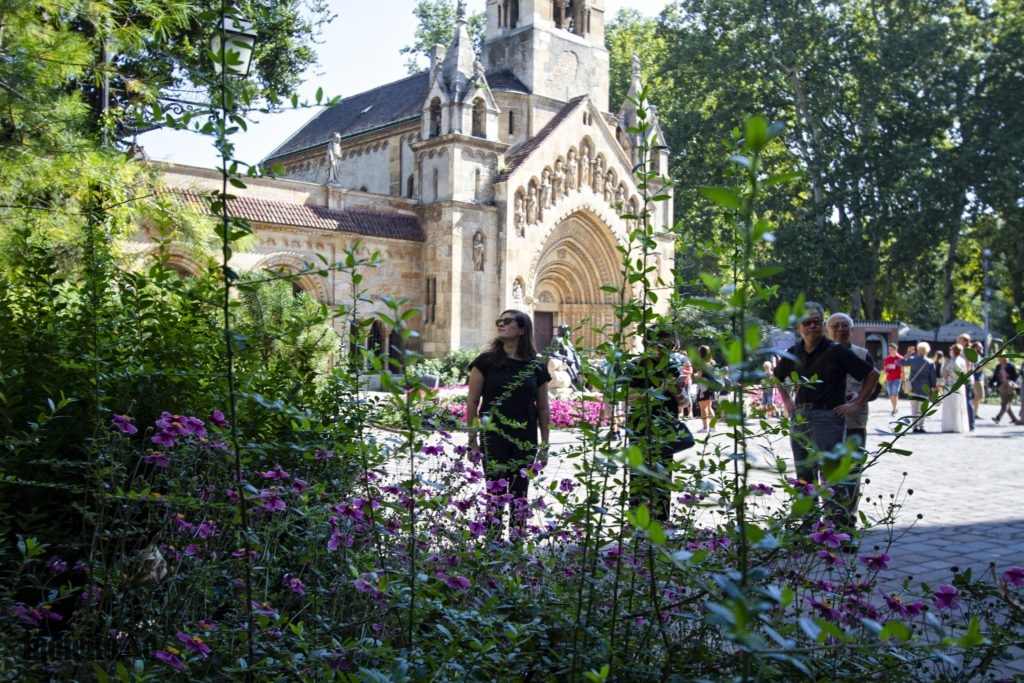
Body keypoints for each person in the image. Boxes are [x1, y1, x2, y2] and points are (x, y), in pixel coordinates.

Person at [773, 302, 879, 534]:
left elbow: (872, 374)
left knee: (831, 476)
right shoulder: (794, 352)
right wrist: (788, 402)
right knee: (804, 474)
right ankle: (808, 527)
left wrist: (858, 402)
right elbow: (777, 376)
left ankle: (836, 529)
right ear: (799, 327)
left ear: (822, 325)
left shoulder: (836, 351)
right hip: (800, 417)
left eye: (816, 322)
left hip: (828, 417)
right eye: (807, 323)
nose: (812, 327)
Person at [466, 310, 551, 532]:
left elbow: (543, 408)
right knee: (494, 491)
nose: (500, 324)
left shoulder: (536, 366)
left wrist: (544, 445)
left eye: (507, 321)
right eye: (499, 321)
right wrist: (472, 441)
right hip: (492, 435)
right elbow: (473, 403)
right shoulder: (485, 362)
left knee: (520, 491)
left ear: (522, 330)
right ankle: (492, 544)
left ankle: (516, 544)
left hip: (525, 436)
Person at [626, 326, 689, 521]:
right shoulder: (637, 366)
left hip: (666, 430)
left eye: (670, 345)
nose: (666, 349)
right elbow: (628, 397)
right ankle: (637, 523)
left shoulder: (672, 367)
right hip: (641, 429)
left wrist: (677, 392)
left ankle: (661, 523)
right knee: (639, 476)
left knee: (663, 477)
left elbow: (685, 402)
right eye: (662, 344)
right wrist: (656, 390)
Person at [825, 313, 875, 531]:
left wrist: (860, 398)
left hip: (855, 421)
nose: (840, 329)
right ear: (828, 330)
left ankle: (847, 521)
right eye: (835, 325)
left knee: (853, 472)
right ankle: (829, 519)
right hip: (826, 423)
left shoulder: (863, 355)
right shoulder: (821, 354)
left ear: (852, 329)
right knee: (828, 472)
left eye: (845, 325)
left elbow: (875, 386)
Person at [901, 342, 937, 433]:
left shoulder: (912, 359)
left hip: (913, 387)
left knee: (913, 408)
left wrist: (908, 354)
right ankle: (921, 426)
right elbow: (932, 377)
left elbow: (899, 362)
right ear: (927, 351)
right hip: (925, 387)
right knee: (922, 409)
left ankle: (914, 427)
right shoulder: (930, 362)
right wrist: (933, 386)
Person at [940, 343, 970, 433]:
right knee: (959, 406)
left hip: (950, 386)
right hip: (960, 385)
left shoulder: (951, 361)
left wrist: (942, 366)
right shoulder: (962, 361)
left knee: (950, 407)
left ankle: (949, 426)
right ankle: (959, 426)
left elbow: (944, 374)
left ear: (953, 351)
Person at [990, 356, 1022, 425]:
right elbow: (995, 376)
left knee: (1004, 404)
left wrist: (1009, 380)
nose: (999, 360)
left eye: (1000, 358)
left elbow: (1015, 376)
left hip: (1010, 387)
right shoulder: (998, 366)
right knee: (1006, 405)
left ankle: (998, 417)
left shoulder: (1011, 365)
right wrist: (991, 383)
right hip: (1002, 387)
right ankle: (1014, 419)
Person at [694, 345, 717, 433]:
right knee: (709, 407)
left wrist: (694, 375)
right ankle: (713, 427)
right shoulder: (712, 362)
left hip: (703, 387)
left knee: (703, 408)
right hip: (711, 386)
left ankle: (705, 428)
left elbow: (699, 375)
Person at [956, 333, 976, 430]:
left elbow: (968, 366)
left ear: (965, 341)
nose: (957, 340)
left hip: (966, 379)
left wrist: (965, 376)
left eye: (959, 339)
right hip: (963, 378)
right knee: (964, 401)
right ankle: (966, 423)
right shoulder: (963, 351)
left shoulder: (967, 351)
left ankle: (971, 424)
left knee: (968, 401)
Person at [882, 343, 903, 416]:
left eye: (891, 349)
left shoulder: (900, 358)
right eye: (889, 349)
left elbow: (903, 369)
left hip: (897, 378)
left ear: (895, 349)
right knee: (890, 394)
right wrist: (885, 372)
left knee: (895, 393)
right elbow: (886, 368)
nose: (890, 351)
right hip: (889, 378)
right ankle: (894, 408)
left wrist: (904, 378)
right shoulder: (887, 358)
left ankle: (894, 409)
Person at [971, 340, 986, 419]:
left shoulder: (979, 356)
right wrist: (985, 364)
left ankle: (975, 413)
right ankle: (973, 412)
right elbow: (976, 370)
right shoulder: (973, 357)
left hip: (980, 378)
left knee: (978, 396)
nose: (981, 348)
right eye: (979, 347)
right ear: (975, 348)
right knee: (979, 395)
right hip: (976, 379)